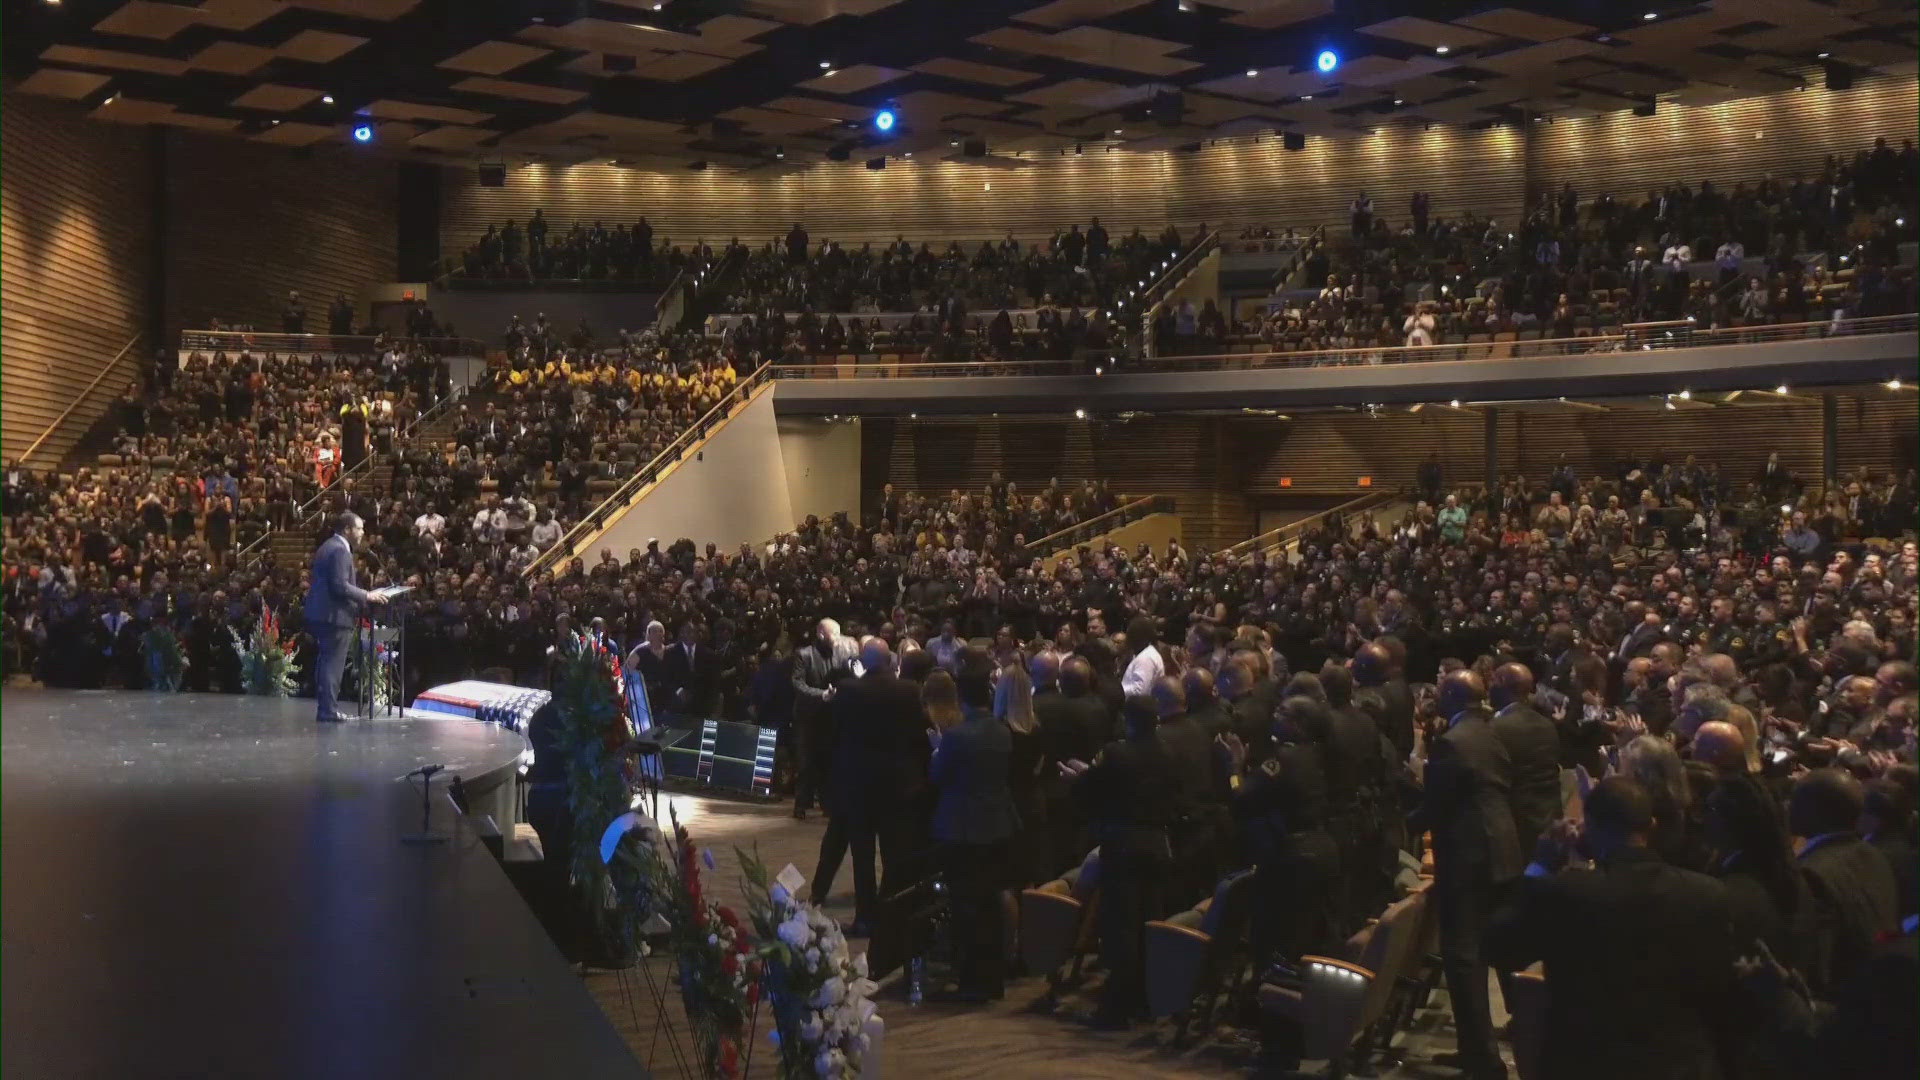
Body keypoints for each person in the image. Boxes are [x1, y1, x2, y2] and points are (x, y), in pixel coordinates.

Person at [1485, 775, 1739, 1080]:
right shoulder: (1708, 894)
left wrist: (1540, 867)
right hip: (1678, 1065)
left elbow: (1499, 947)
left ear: (1589, 827)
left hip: (1588, 1063)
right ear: (1652, 826)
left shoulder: (1567, 892)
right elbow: (1721, 992)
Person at [1409, 669, 1518, 1080]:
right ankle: (1484, 1049)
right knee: (1491, 951)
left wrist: (1406, 822)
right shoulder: (1491, 732)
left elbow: (1435, 806)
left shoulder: (1453, 742)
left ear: (1452, 696)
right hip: (1501, 847)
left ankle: (1482, 1060)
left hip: (1469, 856)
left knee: (1463, 958)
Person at [1063, 694, 1175, 1027]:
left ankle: (1115, 1007)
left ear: (1127, 720)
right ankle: (1144, 999)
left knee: (1121, 928)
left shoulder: (1116, 753)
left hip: (1122, 843)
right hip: (1157, 843)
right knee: (1148, 923)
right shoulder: (1169, 753)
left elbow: (1092, 790)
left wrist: (1078, 778)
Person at [810, 639, 925, 934]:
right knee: (894, 855)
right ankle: (894, 915)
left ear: (863, 660)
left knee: (862, 858)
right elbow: (917, 736)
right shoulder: (910, 691)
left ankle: (866, 917)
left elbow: (832, 733)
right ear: (890, 661)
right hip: (896, 785)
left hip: (857, 785)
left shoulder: (848, 691)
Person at [929, 645, 1019, 1001]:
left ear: (961, 700)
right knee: (991, 904)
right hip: (998, 824)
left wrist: (937, 748)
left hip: (964, 828)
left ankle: (971, 981)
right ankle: (993, 979)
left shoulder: (956, 736)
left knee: (967, 907)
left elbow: (940, 776)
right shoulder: (1002, 731)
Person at [1790, 768, 1900, 995]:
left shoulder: (1811, 874)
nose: (1787, 807)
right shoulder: (1874, 854)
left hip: (1840, 1011)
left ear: (1813, 811)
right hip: (1880, 994)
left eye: (1795, 800)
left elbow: (1816, 971)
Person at [302, 512, 386, 722]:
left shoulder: (328, 546)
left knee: (326, 662)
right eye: (359, 529)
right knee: (332, 664)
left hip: (323, 614)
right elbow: (339, 586)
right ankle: (328, 711)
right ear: (347, 530)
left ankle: (325, 708)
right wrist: (367, 595)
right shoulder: (340, 550)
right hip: (334, 616)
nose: (362, 533)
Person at [791, 618, 856, 819]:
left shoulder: (841, 653)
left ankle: (827, 804)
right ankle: (801, 804)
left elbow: (847, 676)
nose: (838, 638)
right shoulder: (804, 654)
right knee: (806, 762)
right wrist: (821, 695)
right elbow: (797, 683)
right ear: (821, 634)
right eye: (834, 633)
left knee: (828, 760)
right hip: (809, 717)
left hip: (830, 716)